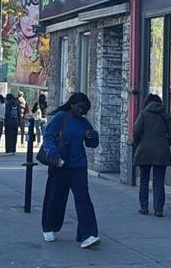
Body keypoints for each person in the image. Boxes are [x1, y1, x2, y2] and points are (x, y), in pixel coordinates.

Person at [41, 92, 101, 249]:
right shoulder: (61, 117)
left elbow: (92, 144)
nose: (82, 111)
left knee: (83, 199)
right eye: (80, 107)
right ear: (72, 105)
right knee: (55, 197)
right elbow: (48, 136)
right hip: (60, 164)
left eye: (85, 109)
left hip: (78, 165)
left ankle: (88, 235)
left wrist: (92, 136)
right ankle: (49, 227)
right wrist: (54, 155)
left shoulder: (84, 123)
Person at [132, 93, 171, 217]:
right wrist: (165, 143)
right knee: (159, 181)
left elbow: (136, 131)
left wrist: (139, 143)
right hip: (161, 152)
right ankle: (158, 209)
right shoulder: (165, 115)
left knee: (144, 179)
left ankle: (144, 207)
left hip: (144, 151)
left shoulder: (143, 114)